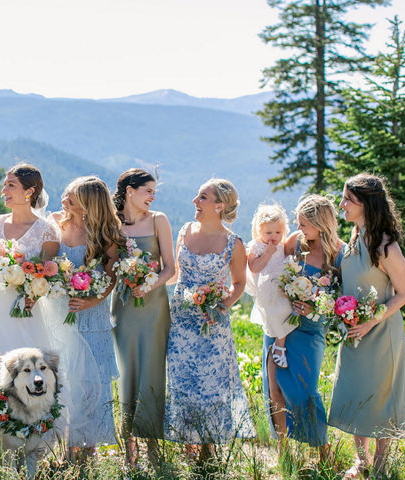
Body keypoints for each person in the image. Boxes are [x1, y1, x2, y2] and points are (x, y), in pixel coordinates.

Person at [329, 174, 405, 478]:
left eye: (348, 199)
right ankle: (360, 460)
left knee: (379, 396)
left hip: (380, 334)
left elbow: (404, 293)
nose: (342, 205)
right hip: (352, 334)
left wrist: (371, 322)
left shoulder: (385, 246)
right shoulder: (352, 239)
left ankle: (379, 462)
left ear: (366, 204)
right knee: (353, 391)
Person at [165, 178, 255, 461]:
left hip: (212, 326)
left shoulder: (233, 243)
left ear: (220, 206)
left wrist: (222, 304)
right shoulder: (184, 231)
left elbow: (239, 282)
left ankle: (209, 447)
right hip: (180, 322)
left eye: (202, 197)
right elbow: (176, 273)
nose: (195, 201)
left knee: (211, 384)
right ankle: (187, 443)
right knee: (182, 381)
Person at [263, 195, 343, 460]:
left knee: (305, 392)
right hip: (280, 326)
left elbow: (341, 302)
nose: (299, 229)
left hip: (310, 331)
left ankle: (323, 452)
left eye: (304, 224)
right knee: (275, 389)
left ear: (320, 224)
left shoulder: (339, 254)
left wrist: (316, 308)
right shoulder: (295, 243)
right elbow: (274, 274)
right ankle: (283, 453)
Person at [53, 176, 122, 459]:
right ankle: (65, 447)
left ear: (87, 203)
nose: (64, 198)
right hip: (60, 313)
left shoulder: (105, 236)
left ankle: (87, 448)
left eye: (71, 196)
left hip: (91, 316)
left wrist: (90, 300)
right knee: (65, 380)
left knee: (91, 382)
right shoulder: (57, 224)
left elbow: (109, 279)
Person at [109, 169, 175, 466]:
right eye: (148, 190)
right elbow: (108, 266)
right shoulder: (112, 224)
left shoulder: (159, 220)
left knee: (152, 371)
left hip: (155, 307)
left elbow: (170, 268)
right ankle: (129, 451)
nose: (152, 196)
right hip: (123, 308)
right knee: (127, 372)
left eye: (154, 192)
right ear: (130, 191)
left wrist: (146, 285)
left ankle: (153, 448)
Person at [0, 163, 60, 372]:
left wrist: (31, 293)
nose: (4, 191)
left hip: (23, 307)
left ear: (29, 191)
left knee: (25, 361)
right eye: (4, 185)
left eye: (10, 185)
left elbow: (47, 275)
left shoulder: (46, 231)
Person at [245, 204, 293, 369]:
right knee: (275, 313)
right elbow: (254, 267)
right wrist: (267, 253)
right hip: (266, 289)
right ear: (259, 231)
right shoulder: (257, 246)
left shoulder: (283, 245)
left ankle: (280, 344)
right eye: (268, 233)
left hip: (281, 287)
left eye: (278, 232)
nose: (273, 237)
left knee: (286, 311)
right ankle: (278, 346)